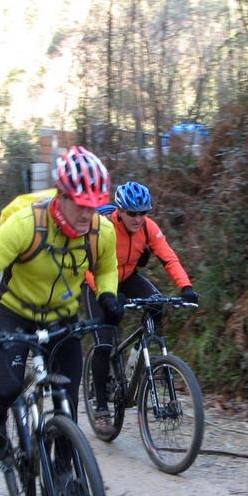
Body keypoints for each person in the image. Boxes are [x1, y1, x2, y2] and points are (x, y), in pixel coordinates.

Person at [0, 146, 121, 496]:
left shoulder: (100, 231)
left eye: (94, 205)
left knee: (67, 402)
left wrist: (107, 295)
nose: (87, 214)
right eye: (80, 204)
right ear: (61, 195)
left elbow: (107, 266)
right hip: (15, 313)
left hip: (63, 318)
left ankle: (63, 474)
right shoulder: (26, 225)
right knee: (7, 386)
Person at [80, 180, 198, 437]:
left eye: (143, 212)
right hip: (97, 282)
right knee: (103, 343)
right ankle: (101, 409)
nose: (138, 218)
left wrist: (186, 286)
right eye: (132, 213)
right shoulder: (103, 226)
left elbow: (168, 257)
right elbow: (87, 265)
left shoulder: (148, 227)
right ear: (120, 211)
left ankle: (137, 355)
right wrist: (106, 295)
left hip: (128, 277)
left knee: (157, 305)